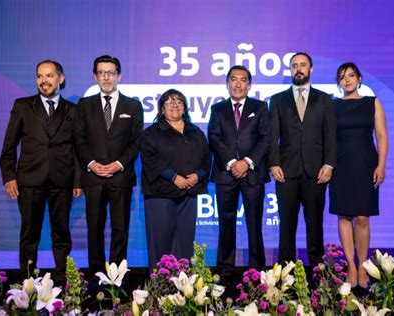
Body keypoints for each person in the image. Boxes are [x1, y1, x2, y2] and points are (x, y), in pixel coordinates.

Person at [0, 60, 82, 285]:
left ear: (60, 79)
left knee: (62, 234)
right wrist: (9, 176)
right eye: (39, 76)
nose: (43, 81)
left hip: (62, 180)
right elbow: (8, 147)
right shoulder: (23, 106)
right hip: (29, 180)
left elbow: (77, 150)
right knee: (29, 235)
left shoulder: (73, 111)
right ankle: (28, 283)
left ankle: (63, 280)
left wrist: (77, 180)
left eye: (49, 76)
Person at [74, 55, 143, 280]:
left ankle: (116, 278)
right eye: (101, 72)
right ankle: (96, 276)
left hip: (120, 177)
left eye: (110, 72)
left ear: (119, 76)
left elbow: (136, 142)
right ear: (95, 76)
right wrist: (92, 164)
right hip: (93, 178)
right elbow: (79, 140)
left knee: (120, 230)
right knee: (94, 229)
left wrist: (119, 164)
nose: (106, 77)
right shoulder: (84, 105)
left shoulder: (133, 105)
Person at [268, 52, 337, 267]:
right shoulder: (278, 99)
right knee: (286, 225)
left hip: (316, 171)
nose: (298, 69)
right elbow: (272, 136)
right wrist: (273, 163)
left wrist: (329, 163)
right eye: (294, 65)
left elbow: (330, 135)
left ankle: (318, 271)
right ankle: (285, 274)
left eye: (303, 65)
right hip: (286, 172)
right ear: (290, 70)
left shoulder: (324, 99)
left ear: (311, 69)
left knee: (315, 224)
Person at [208, 65, 270, 284]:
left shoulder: (261, 107)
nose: (237, 84)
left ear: (249, 84)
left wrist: (247, 162)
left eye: (242, 80)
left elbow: (265, 138)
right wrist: (233, 162)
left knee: (254, 224)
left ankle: (257, 269)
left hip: (252, 174)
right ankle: (225, 270)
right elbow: (214, 138)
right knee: (226, 223)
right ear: (227, 83)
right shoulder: (217, 109)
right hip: (226, 175)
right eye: (233, 79)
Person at [329, 62, 388, 288]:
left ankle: (363, 266)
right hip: (340, 167)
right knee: (344, 216)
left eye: (351, 75)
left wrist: (381, 165)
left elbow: (381, 136)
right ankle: (351, 269)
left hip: (366, 166)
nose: (347, 80)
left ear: (360, 79)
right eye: (342, 77)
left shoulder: (372, 103)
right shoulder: (332, 106)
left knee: (363, 217)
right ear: (339, 83)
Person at [140, 89, 211, 271]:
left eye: (179, 102)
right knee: (160, 242)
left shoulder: (196, 132)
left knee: (184, 242)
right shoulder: (151, 133)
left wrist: (198, 175)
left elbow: (206, 158)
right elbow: (150, 160)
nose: (175, 105)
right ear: (162, 109)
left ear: (185, 108)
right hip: (160, 194)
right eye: (169, 102)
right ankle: (160, 285)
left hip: (188, 194)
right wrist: (174, 177)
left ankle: (182, 285)